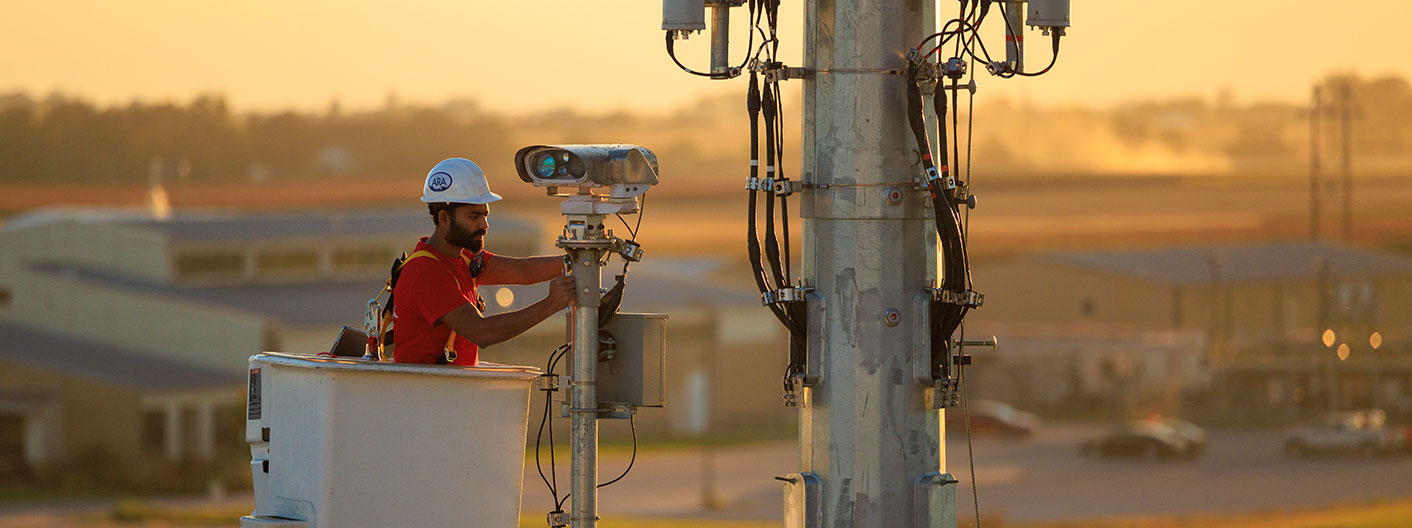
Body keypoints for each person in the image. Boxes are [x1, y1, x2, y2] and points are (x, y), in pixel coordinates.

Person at [391, 157, 575, 365]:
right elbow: (482, 332)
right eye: (474, 216)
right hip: (426, 395)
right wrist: (552, 304)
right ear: (443, 218)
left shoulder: (462, 257)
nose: (484, 224)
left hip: (450, 393)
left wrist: (578, 259)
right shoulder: (426, 273)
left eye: (486, 215)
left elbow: (521, 271)